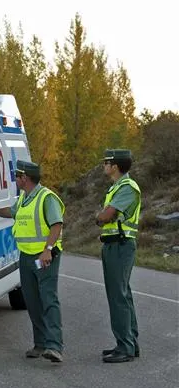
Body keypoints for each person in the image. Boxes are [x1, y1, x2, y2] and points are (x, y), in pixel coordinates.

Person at [0, 160, 65, 363]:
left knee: (48, 299)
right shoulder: (24, 198)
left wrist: (47, 250)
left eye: (17, 176)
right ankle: (40, 344)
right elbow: (12, 212)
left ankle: (54, 346)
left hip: (44, 257)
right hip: (26, 256)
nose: (15, 179)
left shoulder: (46, 197)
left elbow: (56, 224)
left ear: (25, 178)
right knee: (32, 301)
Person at [94, 149, 141, 363]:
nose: (104, 165)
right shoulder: (116, 187)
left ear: (115, 166)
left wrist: (99, 217)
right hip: (114, 245)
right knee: (123, 295)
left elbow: (106, 215)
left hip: (121, 246)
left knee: (118, 297)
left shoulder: (126, 187)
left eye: (107, 162)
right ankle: (129, 343)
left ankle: (125, 347)